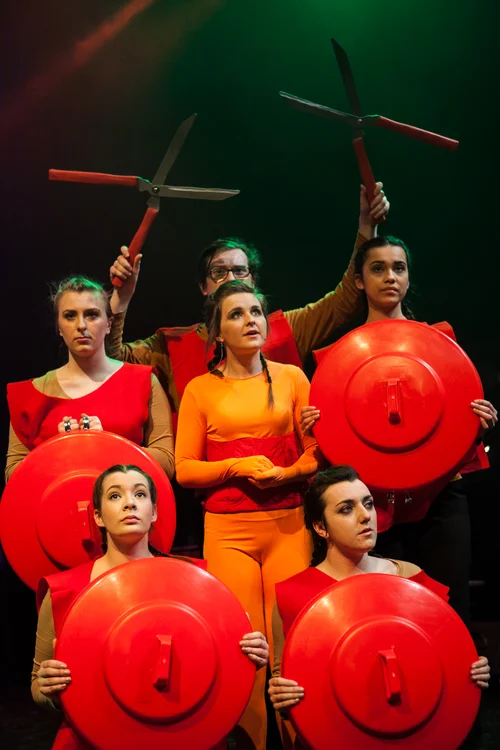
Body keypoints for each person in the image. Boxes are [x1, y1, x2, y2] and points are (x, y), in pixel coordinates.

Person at [300, 236, 498, 629]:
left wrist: (477, 424)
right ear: (359, 281)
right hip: (372, 505)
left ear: (408, 277)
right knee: (386, 615)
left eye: (399, 268)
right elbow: (336, 444)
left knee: (450, 613)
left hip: (441, 497)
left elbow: (455, 423)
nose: (390, 277)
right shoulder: (338, 356)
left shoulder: (440, 342)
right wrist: (314, 427)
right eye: (378, 268)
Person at [174, 281, 326, 750]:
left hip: (288, 523)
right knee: (246, 645)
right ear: (217, 332)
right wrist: (236, 467)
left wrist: (287, 474)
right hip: (228, 531)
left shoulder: (292, 378)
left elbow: (316, 453)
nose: (250, 320)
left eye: (256, 311)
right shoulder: (200, 389)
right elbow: (184, 469)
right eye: (236, 314)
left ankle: (300, 740)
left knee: (291, 643)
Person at [31, 464, 268, 749]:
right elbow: (38, 686)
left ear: (153, 512)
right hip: (94, 738)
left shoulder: (196, 582)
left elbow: (216, 666)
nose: (129, 503)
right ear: (98, 516)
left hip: (185, 734)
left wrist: (248, 657)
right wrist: (51, 690)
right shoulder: (63, 592)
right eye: (115, 496)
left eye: (140, 494)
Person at [106, 185, 390, 416]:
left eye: (240, 271)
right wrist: (121, 298)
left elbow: (345, 299)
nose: (231, 279)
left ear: (253, 280)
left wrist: (367, 227)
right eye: (219, 272)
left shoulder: (287, 328)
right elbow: (112, 359)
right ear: (204, 287)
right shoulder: (172, 345)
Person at [269, 465, 490, 748]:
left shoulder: (411, 579)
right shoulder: (295, 593)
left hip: (412, 732)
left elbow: (443, 657)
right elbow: (284, 678)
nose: (365, 516)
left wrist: (471, 671)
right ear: (320, 527)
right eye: (346, 509)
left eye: (368, 504)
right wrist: (282, 694)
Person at [6, 276, 175, 482]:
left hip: (123, 501)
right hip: (56, 501)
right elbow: (13, 476)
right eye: (70, 316)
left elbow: (166, 463)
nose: (81, 325)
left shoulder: (143, 382)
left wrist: (107, 446)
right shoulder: (31, 394)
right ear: (59, 327)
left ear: (109, 324)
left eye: (92, 315)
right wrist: (56, 451)